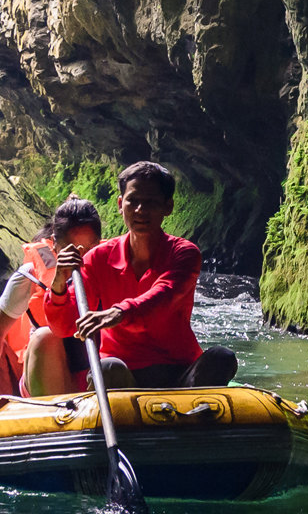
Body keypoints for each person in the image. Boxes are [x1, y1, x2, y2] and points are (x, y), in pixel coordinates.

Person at [74, 161, 235, 390]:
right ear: (121, 204)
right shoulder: (97, 258)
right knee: (108, 368)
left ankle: (188, 415)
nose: (140, 210)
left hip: (179, 372)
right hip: (122, 370)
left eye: (150, 202)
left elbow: (163, 296)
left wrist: (119, 312)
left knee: (222, 358)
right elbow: (64, 324)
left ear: (167, 207)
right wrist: (59, 285)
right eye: (133, 201)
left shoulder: (185, 253)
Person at [0, 198, 104, 395]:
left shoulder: (113, 266)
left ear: (99, 243)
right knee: (45, 336)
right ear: (54, 244)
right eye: (70, 249)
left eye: (88, 249)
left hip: (96, 374)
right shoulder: (29, 275)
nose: (79, 257)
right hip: (48, 375)